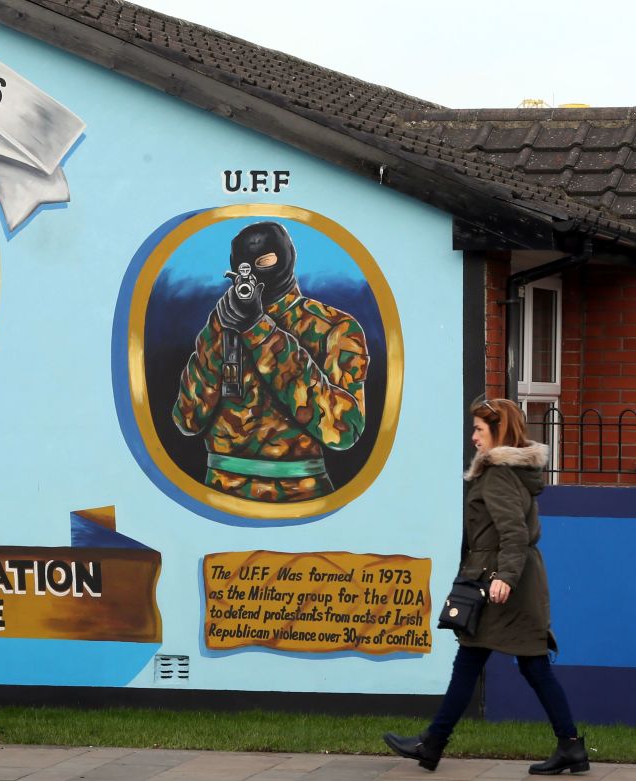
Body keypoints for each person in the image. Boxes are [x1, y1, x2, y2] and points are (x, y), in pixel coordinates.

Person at [383, 399, 588, 774]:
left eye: (480, 429)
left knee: (504, 663)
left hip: (502, 585)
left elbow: (514, 533)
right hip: (503, 581)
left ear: (498, 432)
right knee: (521, 665)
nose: (474, 436)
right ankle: (569, 746)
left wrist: (504, 579)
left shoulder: (496, 475)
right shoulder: (507, 472)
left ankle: (433, 744)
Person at [172, 221, 368, 502]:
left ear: (288, 257)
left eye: (264, 261)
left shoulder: (334, 328)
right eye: (244, 266)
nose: (253, 273)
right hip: (219, 493)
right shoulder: (221, 323)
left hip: (301, 495)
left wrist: (259, 330)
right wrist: (218, 336)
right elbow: (187, 419)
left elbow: (344, 429)